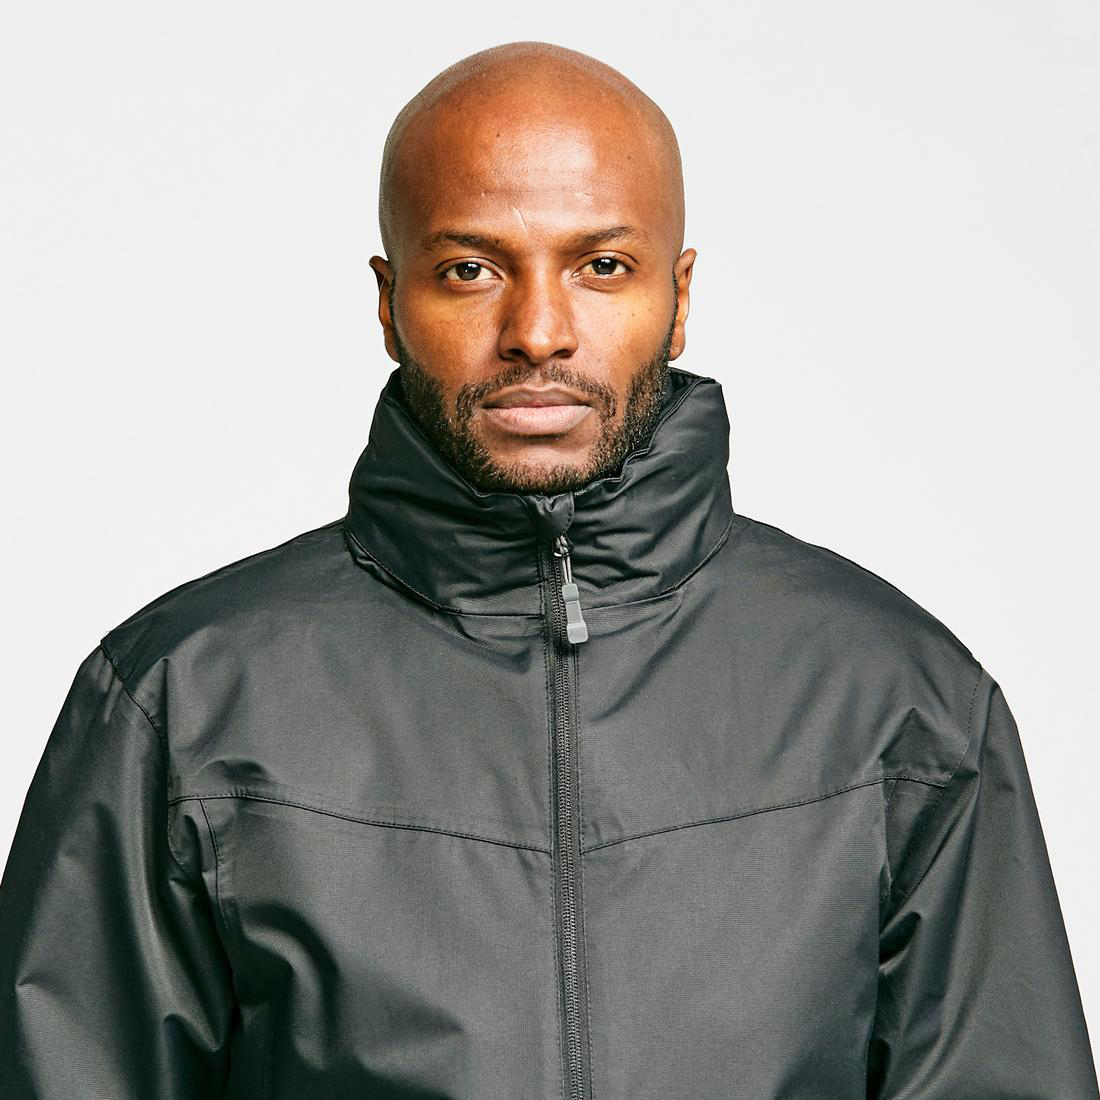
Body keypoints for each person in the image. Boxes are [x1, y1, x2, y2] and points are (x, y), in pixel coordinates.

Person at [0, 38, 1096, 1100]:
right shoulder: (181, 701)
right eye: (470, 269)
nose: (536, 330)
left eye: (600, 265)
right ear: (389, 301)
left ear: (679, 296)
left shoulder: (899, 701)